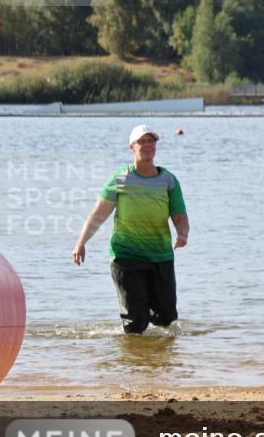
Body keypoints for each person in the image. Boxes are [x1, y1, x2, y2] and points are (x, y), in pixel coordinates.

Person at [72, 125, 190, 334]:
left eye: (150, 141)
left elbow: (180, 216)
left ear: (155, 146)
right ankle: (133, 363)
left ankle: (155, 359)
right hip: (126, 255)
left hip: (160, 254)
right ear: (132, 147)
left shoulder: (168, 180)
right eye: (141, 142)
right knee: (136, 322)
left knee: (167, 319)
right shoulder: (119, 179)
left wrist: (182, 233)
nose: (146, 146)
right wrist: (81, 243)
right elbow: (98, 214)